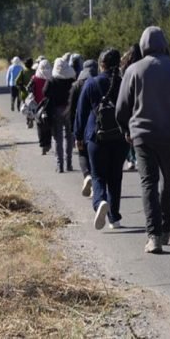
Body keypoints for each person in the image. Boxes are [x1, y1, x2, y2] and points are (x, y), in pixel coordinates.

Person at [116, 26, 170, 254]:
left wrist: (126, 128)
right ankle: (167, 228)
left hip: (142, 137)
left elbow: (122, 106)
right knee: (168, 183)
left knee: (148, 183)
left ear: (143, 45)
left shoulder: (133, 70)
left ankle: (154, 236)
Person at [75, 49, 129, 230]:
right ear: (118, 65)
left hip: (95, 137)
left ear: (101, 64)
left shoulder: (91, 83)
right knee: (115, 177)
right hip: (120, 137)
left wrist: (78, 136)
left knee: (98, 176)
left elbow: (81, 113)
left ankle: (100, 203)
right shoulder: (125, 83)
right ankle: (115, 218)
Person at [68, 59, 98, 196]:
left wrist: (72, 130)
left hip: (80, 124)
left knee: (82, 153)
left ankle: (87, 175)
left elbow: (72, 109)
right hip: (96, 125)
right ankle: (95, 187)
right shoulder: (98, 83)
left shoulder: (76, 85)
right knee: (96, 154)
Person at [44, 57, 76, 172]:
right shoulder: (71, 80)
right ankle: (69, 164)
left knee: (58, 139)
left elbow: (45, 92)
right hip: (69, 110)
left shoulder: (52, 80)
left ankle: (60, 165)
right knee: (69, 137)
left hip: (56, 111)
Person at [119, 44, 143, 171]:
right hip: (140, 103)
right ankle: (138, 158)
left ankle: (130, 159)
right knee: (138, 131)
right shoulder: (144, 66)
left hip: (129, 102)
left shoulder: (126, 68)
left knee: (129, 132)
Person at [32, 58, 52, 154]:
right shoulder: (52, 77)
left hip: (37, 105)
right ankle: (48, 144)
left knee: (39, 125)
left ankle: (42, 145)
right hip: (49, 104)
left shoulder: (34, 78)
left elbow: (30, 90)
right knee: (48, 125)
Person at [15, 58, 36, 127]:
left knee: (26, 107)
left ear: (25, 64)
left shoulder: (23, 71)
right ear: (32, 64)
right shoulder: (35, 72)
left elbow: (16, 82)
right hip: (34, 93)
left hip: (25, 93)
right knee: (33, 106)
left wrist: (21, 87)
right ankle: (32, 118)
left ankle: (28, 120)